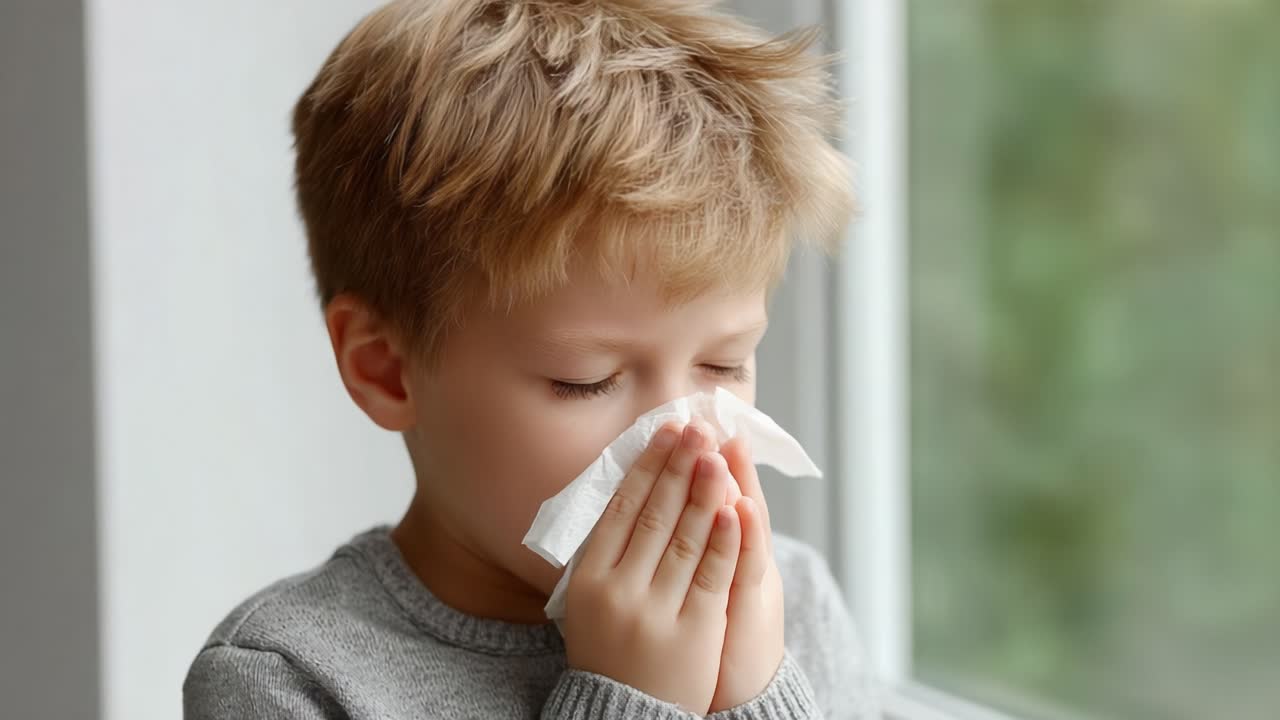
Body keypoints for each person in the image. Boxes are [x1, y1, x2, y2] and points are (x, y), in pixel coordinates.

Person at [183, 0, 877, 717]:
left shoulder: (791, 603)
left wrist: (757, 696)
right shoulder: (288, 677)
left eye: (726, 366)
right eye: (587, 381)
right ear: (385, 368)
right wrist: (632, 703)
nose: (687, 434)